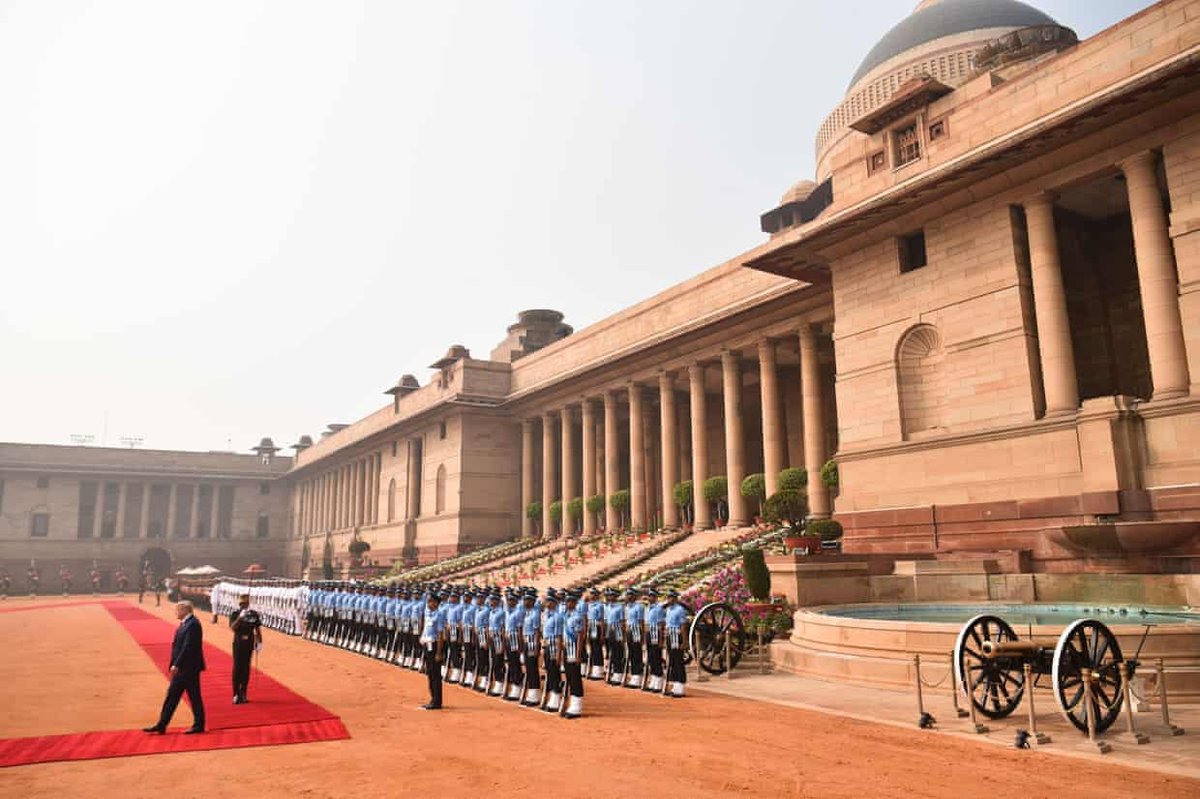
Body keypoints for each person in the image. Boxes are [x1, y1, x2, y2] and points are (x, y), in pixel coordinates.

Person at [143, 600, 207, 734]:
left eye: (177, 610)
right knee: (174, 696)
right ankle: (162, 724)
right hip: (183, 668)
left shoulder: (193, 624)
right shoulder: (186, 624)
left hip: (188, 668)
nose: (176, 613)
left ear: (185, 610)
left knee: (192, 696)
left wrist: (176, 664)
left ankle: (198, 724)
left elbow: (188, 647)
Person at [229, 593, 262, 704]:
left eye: (246, 603)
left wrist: (259, 642)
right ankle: (235, 693)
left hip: (249, 642)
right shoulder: (235, 614)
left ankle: (243, 693)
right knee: (237, 667)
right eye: (242, 604)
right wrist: (240, 617)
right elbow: (233, 627)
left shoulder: (253, 614)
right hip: (238, 643)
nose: (244, 605)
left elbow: (257, 629)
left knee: (246, 668)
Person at [419, 591, 446, 710]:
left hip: (434, 646)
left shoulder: (439, 615)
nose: (429, 603)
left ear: (436, 603)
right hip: (427, 644)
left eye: (431, 601)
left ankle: (437, 701)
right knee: (429, 673)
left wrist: (439, 653)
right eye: (428, 601)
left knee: (435, 674)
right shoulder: (428, 613)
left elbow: (440, 635)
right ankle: (433, 698)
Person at [562, 589, 586, 719]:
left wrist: (578, 655)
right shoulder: (566, 615)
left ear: (575, 602)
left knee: (575, 677)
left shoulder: (577, 616)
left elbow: (580, 636)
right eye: (567, 601)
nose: (568, 603)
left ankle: (577, 705)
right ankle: (572, 703)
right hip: (567, 649)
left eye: (571, 601)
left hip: (574, 651)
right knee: (569, 676)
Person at [664, 590, 688, 698]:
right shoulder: (668, 610)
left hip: (677, 636)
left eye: (672, 597)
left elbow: (683, 626)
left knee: (678, 660)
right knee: (672, 660)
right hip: (670, 635)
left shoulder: (680, 610)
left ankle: (680, 685)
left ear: (676, 598)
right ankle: (675, 685)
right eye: (668, 597)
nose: (670, 599)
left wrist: (684, 641)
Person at [644, 587, 666, 691]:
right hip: (648, 632)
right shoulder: (647, 608)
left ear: (656, 597)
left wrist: (661, 640)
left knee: (656, 656)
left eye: (652, 596)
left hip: (655, 633)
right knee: (651, 657)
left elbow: (661, 625)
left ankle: (659, 679)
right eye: (649, 596)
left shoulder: (659, 608)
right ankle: (653, 678)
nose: (649, 598)